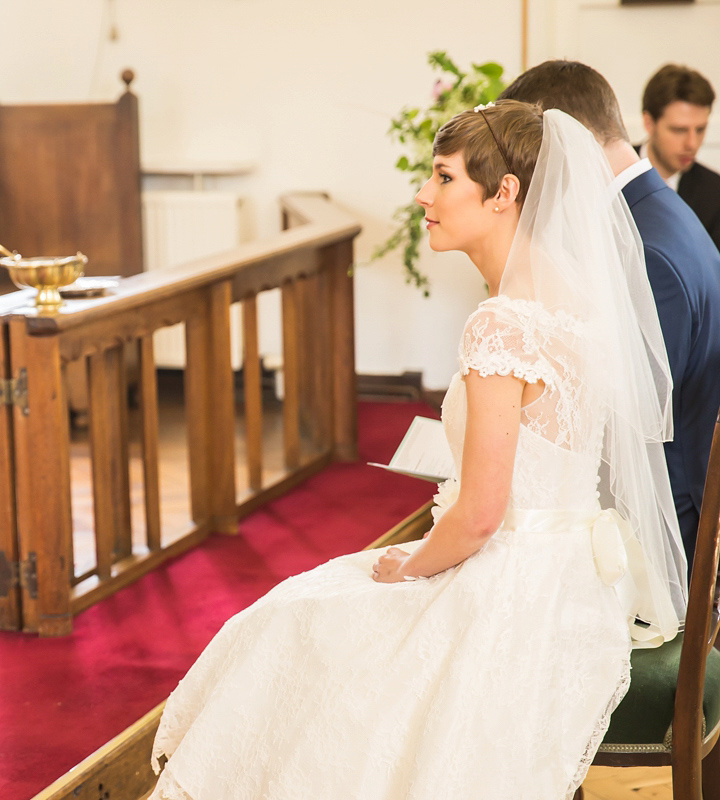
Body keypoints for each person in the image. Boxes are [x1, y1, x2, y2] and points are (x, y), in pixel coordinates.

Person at [149, 101, 689, 800]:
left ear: (503, 194)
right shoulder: (579, 298)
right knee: (307, 612)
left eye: (442, 177)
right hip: (578, 578)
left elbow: (483, 516)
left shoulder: (503, 325)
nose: (423, 195)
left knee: (292, 622)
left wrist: (409, 566)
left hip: (515, 590)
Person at [499, 60, 720, 563]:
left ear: (568, 140)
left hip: (669, 523)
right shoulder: (653, 210)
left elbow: (633, 418)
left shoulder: (647, 250)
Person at [641, 64, 720, 251]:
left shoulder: (715, 192)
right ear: (649, 123)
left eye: (700, 129)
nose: (692, 144)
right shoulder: (608, 171)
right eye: (679, 130)